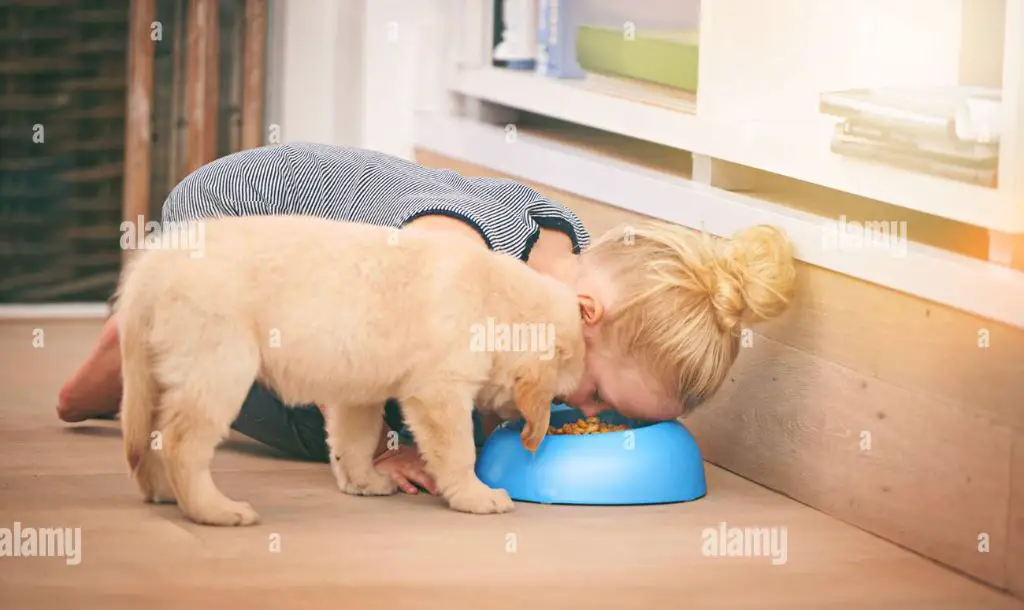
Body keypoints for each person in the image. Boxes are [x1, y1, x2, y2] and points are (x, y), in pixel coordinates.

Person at [57, 142, 796, 494]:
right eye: (597, 393)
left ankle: (161, 335)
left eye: (610, 415)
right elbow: (367, 332)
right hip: (236, 233)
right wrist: (397, 440)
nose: (583, 409)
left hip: (282, 269)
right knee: (327, 401)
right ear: (582, 315)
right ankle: (147, 340)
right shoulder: (460, 250)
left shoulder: (564, 253)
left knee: (433, 398)